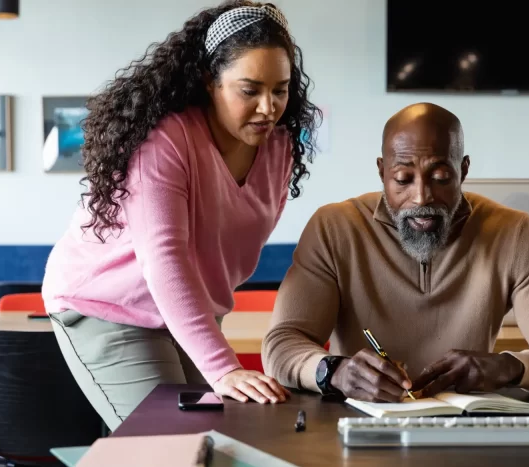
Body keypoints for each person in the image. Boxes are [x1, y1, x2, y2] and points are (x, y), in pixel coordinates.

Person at [43, 0, 321, 429]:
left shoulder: (279, 146)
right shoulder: (166, 141)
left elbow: (225, 248)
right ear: (211, 81)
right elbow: (165, 257)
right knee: (170, 445)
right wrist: (223, 368)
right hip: (107, 307)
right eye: (250, 90)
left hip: (182, 312)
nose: (268, 107)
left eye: (280, 90)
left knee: (221, 437)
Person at [262, 103, 529, 402]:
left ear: (464, 170)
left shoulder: (514, 234)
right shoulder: (333, 228)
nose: (422, 197)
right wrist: (333, 372)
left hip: (466, 434)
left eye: (440, 177)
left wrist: (508, 365)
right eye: (403, 179)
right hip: (357, 432)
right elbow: (281, 344)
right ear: (382, 172)